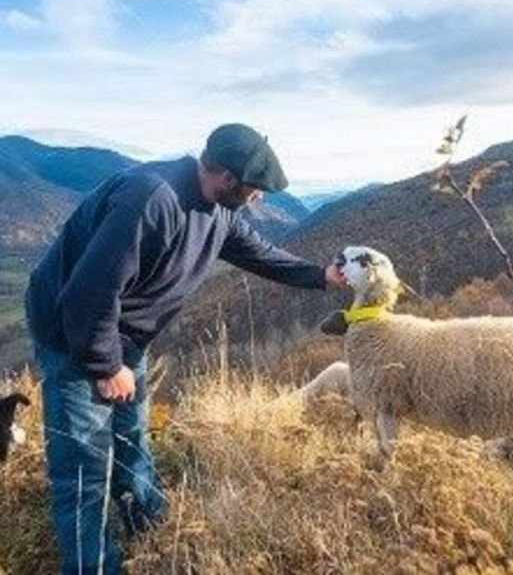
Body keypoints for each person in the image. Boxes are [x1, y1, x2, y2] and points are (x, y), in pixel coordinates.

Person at [25, 123, 346, 574]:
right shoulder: (151, 199)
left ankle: (150, 526)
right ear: (229, 179)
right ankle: (93, 566)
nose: (260, 199)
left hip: (124, 336)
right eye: (256, 189)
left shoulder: (217, 207)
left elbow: (257, 252)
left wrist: (319, 276)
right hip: (73, 330)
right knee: (84, 468)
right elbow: (87, 294)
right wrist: (104, 364)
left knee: (130, 434)